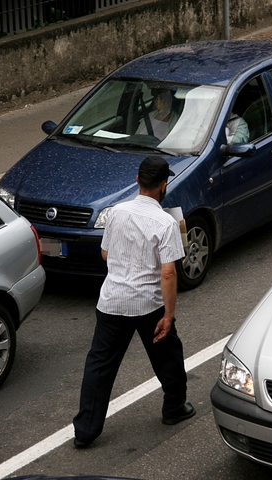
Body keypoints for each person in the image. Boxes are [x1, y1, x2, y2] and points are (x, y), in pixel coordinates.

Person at [72, 155, 195, 448]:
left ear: (138, 181)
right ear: (164, 186)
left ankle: (86, 431)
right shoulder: (166, 223)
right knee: (168, 358)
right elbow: (168, 273)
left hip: (112, 301)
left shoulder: (115, 212)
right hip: (148, 304)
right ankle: (174, 409)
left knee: (99, 366)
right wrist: (169, 314)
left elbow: (105, 254)